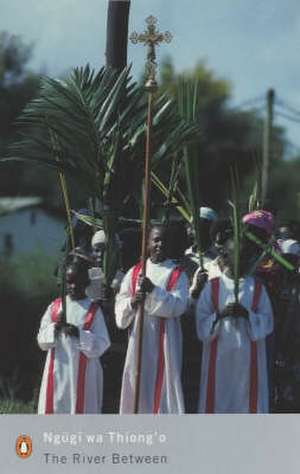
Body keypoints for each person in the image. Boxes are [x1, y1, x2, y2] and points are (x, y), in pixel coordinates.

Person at [195, 221, 274, 413]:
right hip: (219, 358)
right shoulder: (213, 287)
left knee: (246, 403)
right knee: (217, 401)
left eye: (246, 255)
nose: (243, 259)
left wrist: (248, 316)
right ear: (225, 256)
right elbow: (201, 326)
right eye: (237, 254)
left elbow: (268, 322)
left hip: (248, 361)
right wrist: (220, 315)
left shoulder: (256, 288)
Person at [115, 224, 189, 413]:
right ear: (147, 243)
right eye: (155, 240)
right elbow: (120, 304)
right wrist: (132, 302)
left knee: (164, 385)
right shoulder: (135, 272)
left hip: (166, 341)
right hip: (139, 338)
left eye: (164, 240)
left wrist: (153, 291)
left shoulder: (177, 274)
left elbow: (178, 305)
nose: (159, 244)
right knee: (138, 382)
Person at [37, 261, 110, 414]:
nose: (73, 286)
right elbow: (41, 340)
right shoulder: (56, 307)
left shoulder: (93, 309)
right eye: (69, 282)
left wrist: (79, 334)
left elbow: (103, 343)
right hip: (57, 371)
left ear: (86, 283)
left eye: (78, 282)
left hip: (83, 374)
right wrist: (55, 327)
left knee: (81, 409)